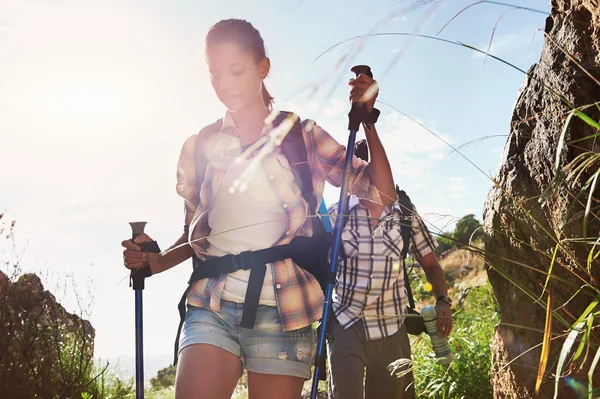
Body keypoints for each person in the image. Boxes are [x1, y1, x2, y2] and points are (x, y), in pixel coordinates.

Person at [121, 19, 397, 399]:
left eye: (236, 70)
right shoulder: (199, 146)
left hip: (284, 311)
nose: (224, 83)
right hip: (211, 303)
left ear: (262, 68)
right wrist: (153, 260)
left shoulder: (302, 137)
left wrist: (366, 121)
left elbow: (381, 194)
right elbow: (194, 236)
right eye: (215, 74)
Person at [326, 139, 453, 399]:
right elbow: (319, 269)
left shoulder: (405, 215)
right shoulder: (336, 215)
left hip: (391, 326)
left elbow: (430, 264)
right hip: (344, 322)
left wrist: (443, 300)